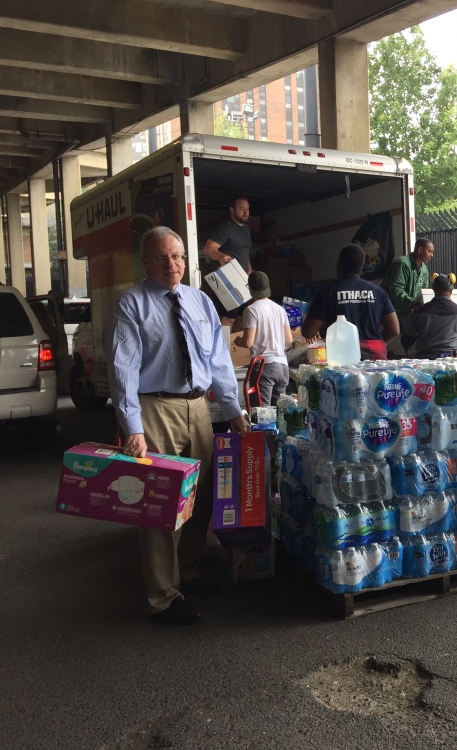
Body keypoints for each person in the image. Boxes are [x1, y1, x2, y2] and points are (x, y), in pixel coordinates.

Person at [105, 226, 247, 626]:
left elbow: (218, 361)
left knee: (199, 499)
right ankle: (163, 598)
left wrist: (233, 410)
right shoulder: (131, 304)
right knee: (161, 504)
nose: (172, 264)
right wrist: (132, 425)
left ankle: (189, 572)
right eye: (162, 257)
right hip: (155, 410)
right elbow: (123, 369)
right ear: (145, 262)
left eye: (178, 256)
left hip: (198, 408)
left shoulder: (200, 300)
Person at [302, 244, 400, 360]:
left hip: (342, 356)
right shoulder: (379, 292)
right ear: (362, 265)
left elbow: (308, 332)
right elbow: (394, 330)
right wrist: (378, 344)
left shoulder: (328, 292)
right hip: (375, 356)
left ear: (339, 264)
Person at [234, 271, 292, 406]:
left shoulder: (251, 310)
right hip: (282, 367)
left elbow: (248, 342)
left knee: (262, 414)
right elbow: (288, 339)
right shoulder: (280, 309)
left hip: (264, 367)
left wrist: (238, 341)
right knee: (279, 413)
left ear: (250, 288)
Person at [203, 196, 253, 325]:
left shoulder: (246, 229)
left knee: (242, 316)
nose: (245, 212)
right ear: (232, 210)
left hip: (242, 279)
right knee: (228, 317)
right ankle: (224, 345)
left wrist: (249, 269)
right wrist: (221, 256)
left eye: (247, 209)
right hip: (226, 280)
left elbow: (244, 251)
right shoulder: (225, 228)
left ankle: (237, 345)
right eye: (241, 209)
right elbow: (209, 248)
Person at [401, 273, 457, 358]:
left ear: (434, 290)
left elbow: (409, 333)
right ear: (451, 291)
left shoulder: (418, 313)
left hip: (424, 359)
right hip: (451, 359)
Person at [381, 237, 433, 322]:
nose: (432, 255)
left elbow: (423, 292)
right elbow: (396, 289)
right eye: (429, 251)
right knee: (392, 333)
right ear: (420, 249)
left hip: (410, 314)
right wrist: (412, 303)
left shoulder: (424, 269)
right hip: (392, 312)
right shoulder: (402, 263)